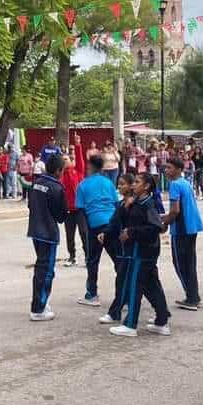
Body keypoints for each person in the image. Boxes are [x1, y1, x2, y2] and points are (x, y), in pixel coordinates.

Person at [99, 173, 171, 337]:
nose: (133, 185)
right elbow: (124, 219)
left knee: (135, 286)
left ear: (146, 186)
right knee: (151, 286)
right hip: (140, 251)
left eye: (137, 182)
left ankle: (130, 324)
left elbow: (155, 228)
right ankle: (162, 321)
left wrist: (131, 232)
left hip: (143, 252)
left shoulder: (148, 204)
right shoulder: (136, 203)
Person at [75, 155, 120, 306]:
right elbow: (116, 203)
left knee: (92, 260)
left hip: (94, 225)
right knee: (118, 260)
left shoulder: (83, 185)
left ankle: (92, 294)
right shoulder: (108, 183)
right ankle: (124, 294)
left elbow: (80, 210)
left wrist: (84, 230)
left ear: (90, 167)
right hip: (112, 223)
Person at [27, 155, 67, 321]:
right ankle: (39, 308)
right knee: (46, 270)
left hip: (35, 231)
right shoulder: (57, 188)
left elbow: (30, 205)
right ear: (58, 171)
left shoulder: (36, 184)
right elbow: (61, 216)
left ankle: (41, 303)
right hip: (48, 234)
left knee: (40, 267)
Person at [162, 158, 203, 311]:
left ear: (178, 169)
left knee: (180, 264)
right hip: (192, 226)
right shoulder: (185, 182)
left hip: (181, 229)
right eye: (166, 168)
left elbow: (175, 210)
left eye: (169, 168)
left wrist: (165, 222)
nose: (166, 170)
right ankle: (194, 296)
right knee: (190, 263)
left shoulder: (174, 184)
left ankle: (191, 297)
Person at [98, 173, 135, 325]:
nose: (119, 187)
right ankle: (162, 314)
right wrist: (105, 233)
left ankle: (115, 312)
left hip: (136, 249)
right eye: (118, 184)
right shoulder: (120, 204)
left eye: (122, 184)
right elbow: (114, 222)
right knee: (138, 281)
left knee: (125, 279)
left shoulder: (137, 204)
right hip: (124, 249)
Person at [61, 135, 86, 267]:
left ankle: (88, 257)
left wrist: (77, 144)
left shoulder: (78, 172)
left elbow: (80, 160)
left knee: (84, 233)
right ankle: (72, 256)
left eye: (66, 159)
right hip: (68, 211)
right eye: (62, 160)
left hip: (80, 210)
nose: (64, 161)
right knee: (69, 236)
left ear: (71, 161)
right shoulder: (61, 177)